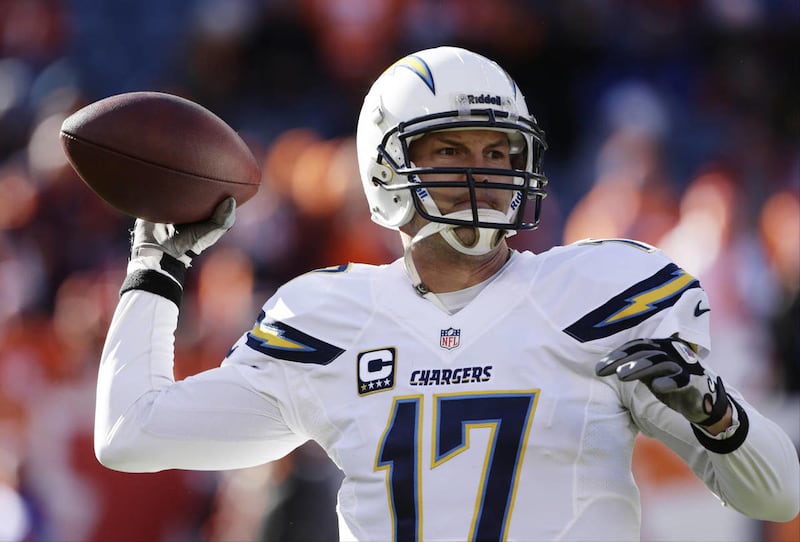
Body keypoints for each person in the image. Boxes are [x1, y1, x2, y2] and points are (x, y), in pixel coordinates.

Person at [93, 46, 799, 541]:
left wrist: (717, 418)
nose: (483, 173)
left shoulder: (603, 295)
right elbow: (132, 435)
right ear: (385, 169)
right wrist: (156, 266)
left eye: (499, 152)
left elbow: (776, 495)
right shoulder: (329, 317)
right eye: (452, 151)